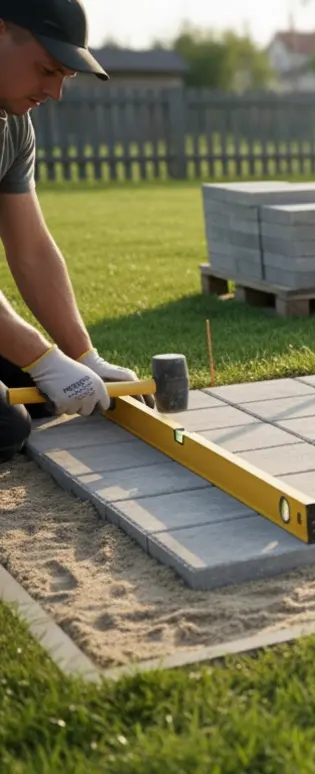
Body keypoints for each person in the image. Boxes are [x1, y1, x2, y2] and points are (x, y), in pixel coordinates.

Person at [0, 0, 146, 465]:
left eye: (65, 76)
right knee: (6, 424)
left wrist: (83, 357)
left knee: (32, 392)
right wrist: (44, 358)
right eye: (46, 69)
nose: (56, 93)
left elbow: (32, 250)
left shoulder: (14, 124)